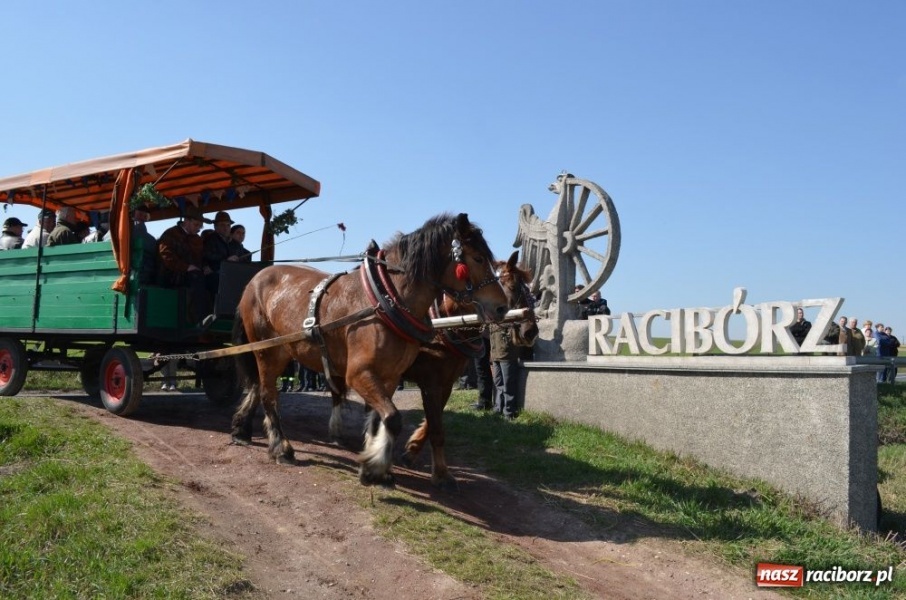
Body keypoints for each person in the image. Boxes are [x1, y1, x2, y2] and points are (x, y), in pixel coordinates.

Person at [157, 206, 213, 327]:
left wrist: (205, 267)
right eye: (196, 225)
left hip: (192, 274)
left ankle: (215, 318)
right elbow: (166, 256)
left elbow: (201, 258)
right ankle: (198, 322)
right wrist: (186, 267)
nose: (199, 229)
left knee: (213, 279)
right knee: (196, 279)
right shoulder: (171, 234)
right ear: (186, 221)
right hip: (171, 275)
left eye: (200, 226)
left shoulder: (197, 239)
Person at [203, 211, 242, 294]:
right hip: (215, 275)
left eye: (228, 225)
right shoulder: (210, 239)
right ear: (215, 226)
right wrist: (226, 260)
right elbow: (207, 256)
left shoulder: (236, 244)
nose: (226, 228)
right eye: (222, 225)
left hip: (232, 274)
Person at [490, 323, 521, 420]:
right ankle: (498, 407)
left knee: (508, 384)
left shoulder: (509, 314)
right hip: (495, 355)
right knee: (498, 383)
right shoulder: (493, 317)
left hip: (507, 355)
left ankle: (509, 411)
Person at [131, 204, 159, 284]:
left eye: (145, 215)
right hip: (143, 275)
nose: (142, 217)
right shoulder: (151, 239)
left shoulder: (126, 233)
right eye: (140, 214)